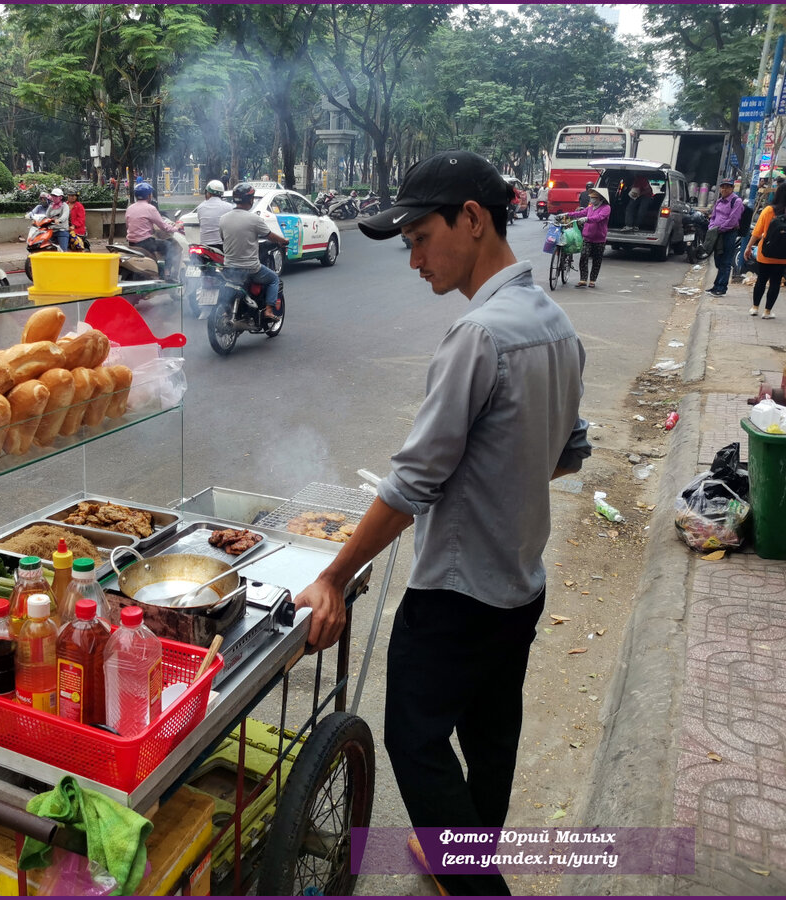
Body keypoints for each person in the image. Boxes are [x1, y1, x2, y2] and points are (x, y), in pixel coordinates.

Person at [294, 150, 590, 896]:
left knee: (414, 740)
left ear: (472, 218)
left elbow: (414, 482)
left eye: (421, 237)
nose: (414, 257)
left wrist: (335, 572)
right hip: (519, 582)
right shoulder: (553, 323)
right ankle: (461, 856)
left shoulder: (479, 335)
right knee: (490, 742)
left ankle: (476, 885)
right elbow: (568, 454)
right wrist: (498, 471)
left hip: (456, 595)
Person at [218, 182, 289, 321]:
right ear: (250, 200)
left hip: (229, 267)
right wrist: (283, 241)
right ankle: (268, 310)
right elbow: (270, 236)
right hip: (250, 268)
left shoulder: (223, 219)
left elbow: (222, 238)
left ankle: (228, 310)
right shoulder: (254, 219)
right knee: (274, 279)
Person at [742, 181, 786, 319]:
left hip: (765, 253)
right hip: (784, 256)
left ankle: (754, 308)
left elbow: (757, 232)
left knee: (761, 280)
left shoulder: (769, 210)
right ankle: (767, 311)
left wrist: (748, 247)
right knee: (775, 282)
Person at [705, 179, 744, 296]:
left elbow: (733, 220)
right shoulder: (719, 201)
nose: (724, 189)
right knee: (718, 259)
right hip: (717, 233)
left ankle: (721, 288)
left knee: (726, 261)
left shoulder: (736, 202)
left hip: (729, 233)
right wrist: (712, 227)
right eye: (722, 187)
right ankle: (716, 285)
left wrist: (720, 228)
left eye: (727, 187)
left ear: (732, 188)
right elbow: (713, 216)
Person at [124, 182, 180, 262]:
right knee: (170, 246)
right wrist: (176, 228)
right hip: (145, 243)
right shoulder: (150, 208)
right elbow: (164, 226)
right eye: (150, 194)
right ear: (148, 196)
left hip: (132, 243)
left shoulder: (130, 208)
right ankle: (167, 272)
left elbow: (128, 225)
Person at [571, 185, 611, 288]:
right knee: (583, 256)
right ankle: (583, 279)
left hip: (599, 239)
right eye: (591, 197)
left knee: (597, 260)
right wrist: (568, 214)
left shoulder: (606, 208)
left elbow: (599, 218)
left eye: (594, 198)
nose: (592, 199)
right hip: (587, 237)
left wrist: (586, 219)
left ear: (600, 199)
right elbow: (580, 213)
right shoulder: (590, 208)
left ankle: (592, 280)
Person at [192, 179, 232, 249]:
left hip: (204, 246)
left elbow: (201, 223)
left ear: (208, 193)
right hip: (222, 246)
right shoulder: (229, 207)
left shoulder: (200, 207)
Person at [66, 186, 87, 251]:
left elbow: (81, 219)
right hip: (64, 227)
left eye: (73, 196)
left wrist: (74, 226)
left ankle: (80, 250)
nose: (71, 197)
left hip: (76, 229)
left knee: (72, 237)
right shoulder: (64, 205)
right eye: (70, 195)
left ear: (76, 197)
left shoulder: (79, 206)